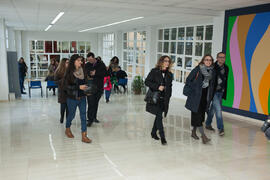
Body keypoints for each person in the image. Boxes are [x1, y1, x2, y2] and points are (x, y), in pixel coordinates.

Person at [184, 54, 216, 144]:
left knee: (200, 117)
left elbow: (212, 85)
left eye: (210, 60)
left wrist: (211, 97)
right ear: (203, 60)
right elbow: (188, 80)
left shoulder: (212, 72)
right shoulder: (197, 69)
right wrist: (196, 87)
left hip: (205, 98)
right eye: (206, 60)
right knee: (197, 117)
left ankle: (193, 132)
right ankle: (203, 136)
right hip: (195, 97)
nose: (208, 61)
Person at [63, 54, 91, 143]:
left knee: (83, 116)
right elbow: (66, 87)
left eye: (81, 61)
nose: (81, 62)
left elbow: (85, 83)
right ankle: (67, 128)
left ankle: (84, 135)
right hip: (72, 98)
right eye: (78, 60)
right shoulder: (68, 73)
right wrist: (78, 87)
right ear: (73, 62)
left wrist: (88, 89)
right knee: (72, 115)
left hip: (83, 97)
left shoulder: (83, 71)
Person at [145, 55, 173, 145]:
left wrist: (169, 96)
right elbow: (147, 82)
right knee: (159, 117)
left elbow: (170, 87)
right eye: (165, 61)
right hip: (155, 98)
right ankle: (162, 137)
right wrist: (157, 87)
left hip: (164, 100)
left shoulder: (169, 74)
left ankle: (153, 133)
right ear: (161, 61)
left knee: (158, 116)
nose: (167, 63)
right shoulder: (154, 71)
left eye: (168, 61)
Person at [205, 52, 229, 136]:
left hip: (221, 92)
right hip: (213, 92)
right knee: (218, 110)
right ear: (217, 58)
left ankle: (208, 124)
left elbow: (225, 81)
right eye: (220, 57)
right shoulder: (213, 67)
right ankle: (221, 128)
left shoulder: (226, 68)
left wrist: (224, 91)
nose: (222, 59)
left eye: (224, 57)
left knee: (213, 109)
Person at [85, 52, 106, 127]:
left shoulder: (101, 64)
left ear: (94, 58)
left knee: (95, 102)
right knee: (90, 102)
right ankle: (89, 119)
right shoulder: (87, 64)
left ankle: (94, 117)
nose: (90, 61)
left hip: (99, 86)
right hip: (89, 86)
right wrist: (90, 73)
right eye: (88, 60)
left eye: (91, 60)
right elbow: (86, 72)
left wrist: (96, 73)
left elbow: (105, 73)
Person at [54, 58, 69, 124]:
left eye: (68, 62)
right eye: (67, 62)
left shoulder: (70, 70)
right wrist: (63, 80)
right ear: (63, 63)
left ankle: (68, 119)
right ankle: (62, 117)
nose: (68, 64)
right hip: (62, 91)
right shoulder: (58, 71)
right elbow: (55, 82)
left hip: (69, 90)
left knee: (69, 106)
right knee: (63, 105)